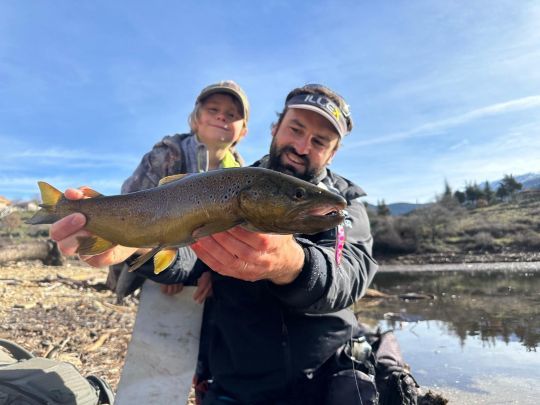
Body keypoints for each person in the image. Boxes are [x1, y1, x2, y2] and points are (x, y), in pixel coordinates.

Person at [50, 84, 380, 405]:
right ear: (275, 127)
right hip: (234, 385)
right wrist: (135, 242)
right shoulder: (233, 184)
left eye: (320, 141)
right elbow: (194, 262)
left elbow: (348, 275)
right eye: (295, 129)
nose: (302, 145)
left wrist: (293, 264)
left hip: (321, 383)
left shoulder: (341, 205)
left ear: (333, 151)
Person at [107, 80, 249, 299]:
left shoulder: (244, 176)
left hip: (203, 276)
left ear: (243, 131)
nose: (222, 116)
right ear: (196, 118)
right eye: (213, 110)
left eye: (232, 115)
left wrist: (212, 271)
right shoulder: (164, 157)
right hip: (148, 265)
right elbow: (128, 207)